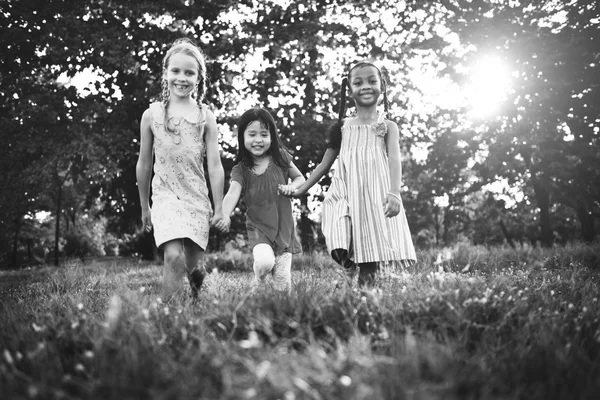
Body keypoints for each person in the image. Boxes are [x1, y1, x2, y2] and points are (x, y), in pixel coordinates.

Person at [291, 62, 416, 287]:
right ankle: (348, 265)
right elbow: (323, 165)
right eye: (358, 83)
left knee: (369, 255)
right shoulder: (341, 127)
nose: (365, 86)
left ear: (383, 87)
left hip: (375, 196)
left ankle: (364, 297)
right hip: (346, 192)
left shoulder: (388, 126)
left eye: (372, 81)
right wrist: (301, 188)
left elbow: (395, 160)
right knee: (337, 237)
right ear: (350, 90)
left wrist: (394, 192)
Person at [136, 38, 225, 300]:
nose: (181, 78)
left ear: (199, 77)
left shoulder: (205, 116)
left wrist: (219, 207)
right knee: (173, 257)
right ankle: (170, 316)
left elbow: (215, 164)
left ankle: (198, 301)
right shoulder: (151, 115)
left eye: (189, 72)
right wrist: (145, 206)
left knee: (195, 269)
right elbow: (144, 163)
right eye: (175, 71)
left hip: (196, 198)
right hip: (165, 197)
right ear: (166, 73)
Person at [213, 108, 305, 293]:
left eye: (264, 134)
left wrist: (292, 187)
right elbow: (233, 193)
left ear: (272, 136)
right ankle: (259, 277)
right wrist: (223, 214)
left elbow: (300, 179)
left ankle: (270, 307)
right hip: (258, 228)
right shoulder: (241, 169)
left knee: (282, 286)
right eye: (252, 134)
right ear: (242, 137)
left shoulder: (281, 158)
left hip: (284, 229)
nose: (258, 140)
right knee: (264, 262)